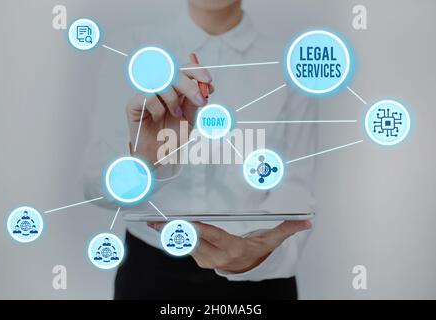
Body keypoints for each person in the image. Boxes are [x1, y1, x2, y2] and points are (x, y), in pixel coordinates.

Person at [84, 0, 317, 300]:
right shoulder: (129, 49)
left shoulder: (289, 64)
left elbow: (294, 186)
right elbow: (93, 186)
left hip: (257, 274)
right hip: (151, 274)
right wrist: (143, 163)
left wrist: (258, 258)